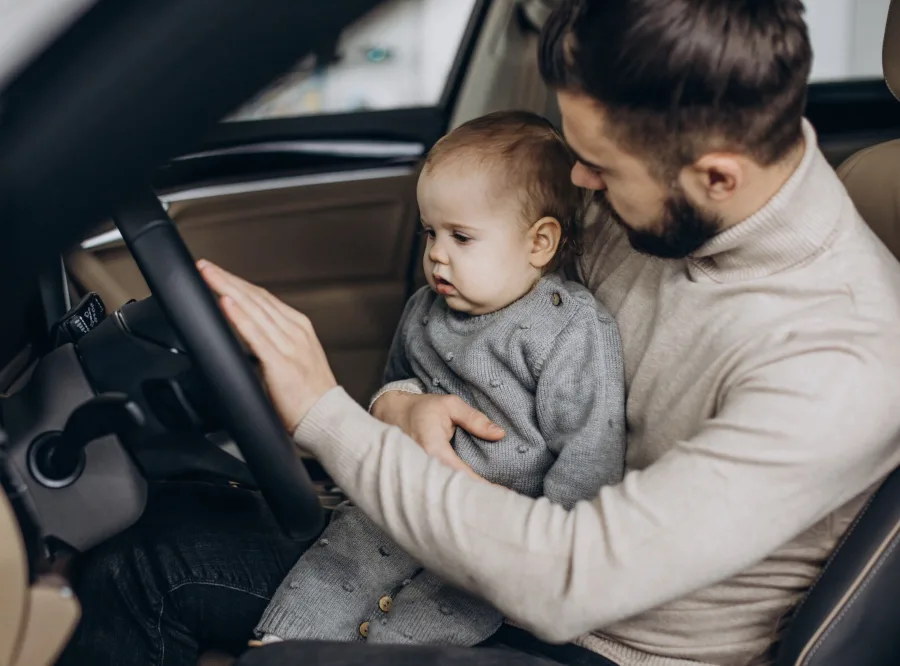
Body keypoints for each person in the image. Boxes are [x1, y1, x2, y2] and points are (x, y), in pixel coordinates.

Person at [59, 1, 900, 665]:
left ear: (717, 173)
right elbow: (473, 352)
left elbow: (570, 581)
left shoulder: (843, 358)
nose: (580, 184)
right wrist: (397, 406)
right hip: (470, 557)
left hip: (593, 644)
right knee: (143, 562)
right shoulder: (659, 205)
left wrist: (326, 414)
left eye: (601, 168)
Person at [255, 110, 626, 648]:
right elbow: (396, 384)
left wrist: (539, 550)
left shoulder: (573, 331)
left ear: (539, 243)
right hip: (391, 512)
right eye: (431, 232)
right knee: (331, 571)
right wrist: (400, 401)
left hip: (483, 551)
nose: (435, 254)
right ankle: (280, 648)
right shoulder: (424, 309)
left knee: (433, 621)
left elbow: (589, 462)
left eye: (461, 237)